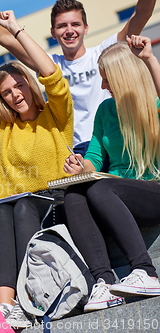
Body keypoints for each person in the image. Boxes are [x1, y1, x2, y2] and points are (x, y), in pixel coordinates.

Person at [0, 8, 73, 328]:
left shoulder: (55, 115)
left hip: (53, 202)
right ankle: (7, 306)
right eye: (7, 92)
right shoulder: (4, 126)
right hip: (14, 209)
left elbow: (51, 74)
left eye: (19, 85)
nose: (15, 94)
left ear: (29, 84)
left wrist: (16, 30)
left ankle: (34, 291)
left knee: (17, 208)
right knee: (4, 209)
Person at [0, 0, 155, 155]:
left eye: (75, 24)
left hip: (114, 141)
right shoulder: (49, 65)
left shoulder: (103, 52)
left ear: (86, 28)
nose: (69, 30)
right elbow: (3, 37)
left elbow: (141, 13)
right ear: (53, 32)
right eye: (62, 26)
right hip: (74, 151)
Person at [63, 35, 160, 313]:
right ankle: (104, 282)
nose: (103, 86)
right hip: (116, 193)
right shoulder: (105, 110)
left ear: (123, 76)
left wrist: (150, 59)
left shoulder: (154, 104)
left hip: (152, 190)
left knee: (100, 189)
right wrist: (82, 167)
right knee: (75, 192)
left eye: (106, 79)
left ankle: (146, 271)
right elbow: (95, 158)